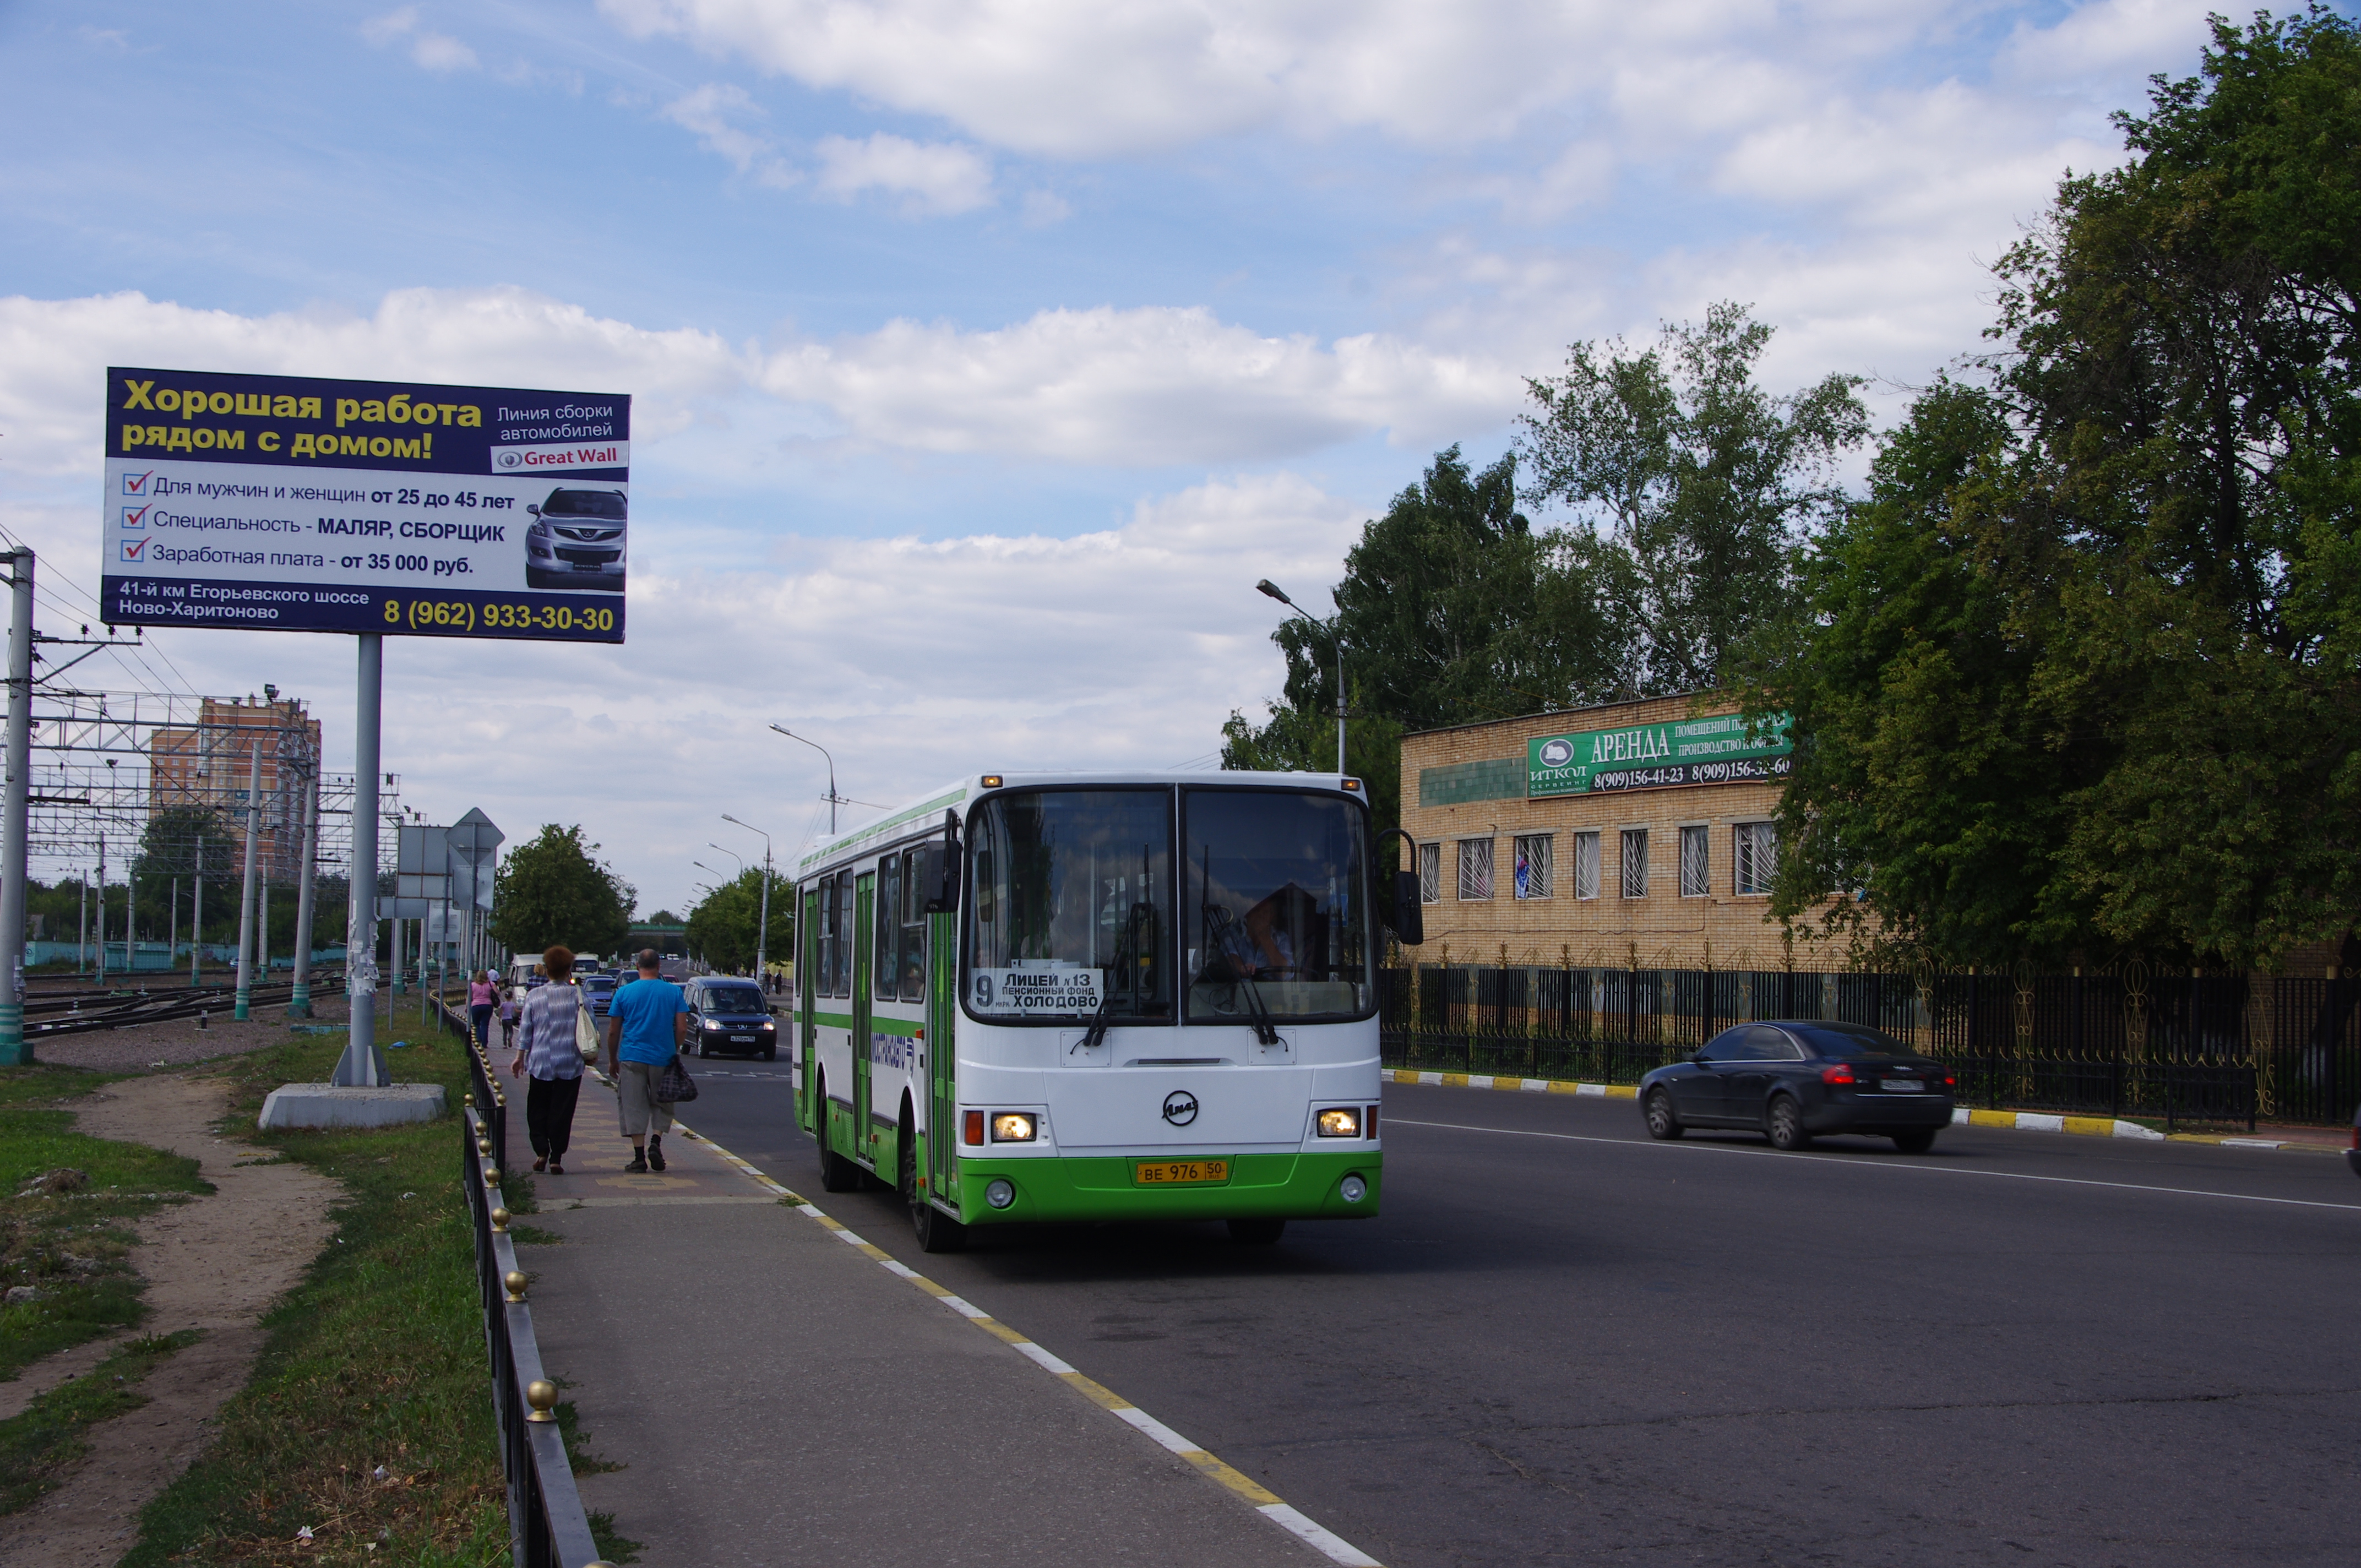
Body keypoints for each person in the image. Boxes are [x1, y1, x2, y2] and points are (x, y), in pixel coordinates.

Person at [605, 947, 689, 1173]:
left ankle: (639, 1157)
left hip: (632, 1057)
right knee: (663, 1102)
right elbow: (682, 1027)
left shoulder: (624, 993)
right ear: (659, 966)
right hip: (664, 1057)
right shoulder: (673, 993)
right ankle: (656, 1141)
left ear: (637, 967)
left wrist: (613, 1059)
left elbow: (613, 1031)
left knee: (634, 1105)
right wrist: (675, 1048)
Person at [509, 944, 586, 1174]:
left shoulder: (534, 996)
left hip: (540, 1061)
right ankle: (556, 1157)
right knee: (562, 1110)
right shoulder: (577, 996)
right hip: (570, 1062)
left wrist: (520, 1057)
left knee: (537, 1107)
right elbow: (588, 1026)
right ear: (568, 969)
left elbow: (526, 1030)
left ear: (547, 968)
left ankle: (541, 1149)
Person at [467, 968, 499, 1049]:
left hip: (476, 1006)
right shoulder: (491, 984)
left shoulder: (472, 985)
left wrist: (467, 1007)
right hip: (488, 1006)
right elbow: (498, 993)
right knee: (485, 1025)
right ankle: (485, 1044)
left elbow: (469, 997)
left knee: (476, 1024)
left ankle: (478, 1040)